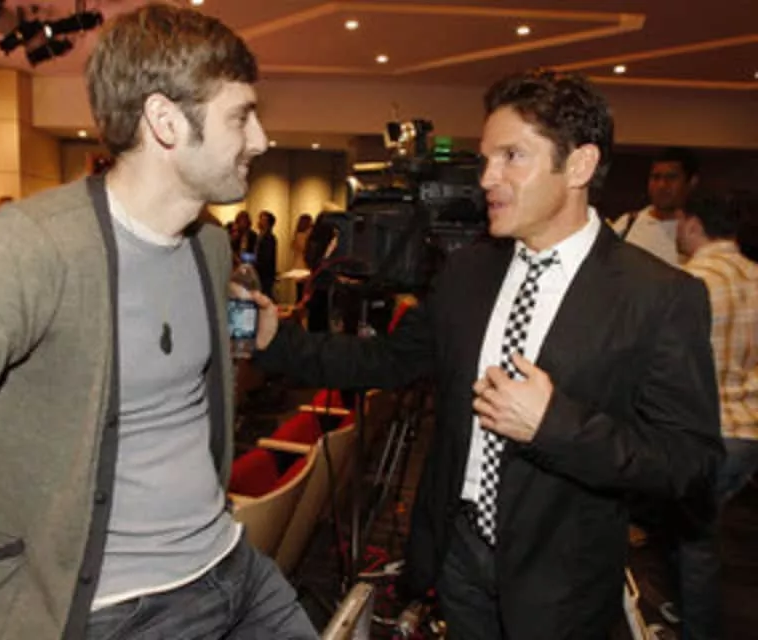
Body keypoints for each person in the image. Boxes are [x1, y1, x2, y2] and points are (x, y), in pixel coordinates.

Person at [0, 5, 316, 640]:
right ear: (165, 121)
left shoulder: (208, 246)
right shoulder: (34, 249)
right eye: (241, 116)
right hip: (112, 606)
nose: (260, 139)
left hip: (232, 563)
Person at [252, 69, 722, 639]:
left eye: (512, 157)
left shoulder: (658, 296)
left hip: (562, 584)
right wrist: (278, 340)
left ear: (579, 165)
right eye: (486, 160)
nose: (487, 179)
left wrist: (555, 426)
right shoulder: (469, 272)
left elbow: (689, 463)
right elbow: (389, 361)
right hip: (458, 558)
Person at [662, 191, 758, 640]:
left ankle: (697, 629)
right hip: (750, 432)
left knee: (695, 542)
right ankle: (681, 609)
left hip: (705, 431)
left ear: (693, 223)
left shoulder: (690, 282)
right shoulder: (755, 276)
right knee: (693, 530)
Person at [612, 147, 699, 266]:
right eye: (656, 177)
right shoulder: (628, 223)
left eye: (671, 177)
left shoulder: (695, 233)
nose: (662, 185)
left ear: (692, 182)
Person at [256, 210, 277, 299]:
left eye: (263, 220)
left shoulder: (269, 238)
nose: (260, 222)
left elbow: (267, 258)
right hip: (260, 273)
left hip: (265, 274)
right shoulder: (259, 236)